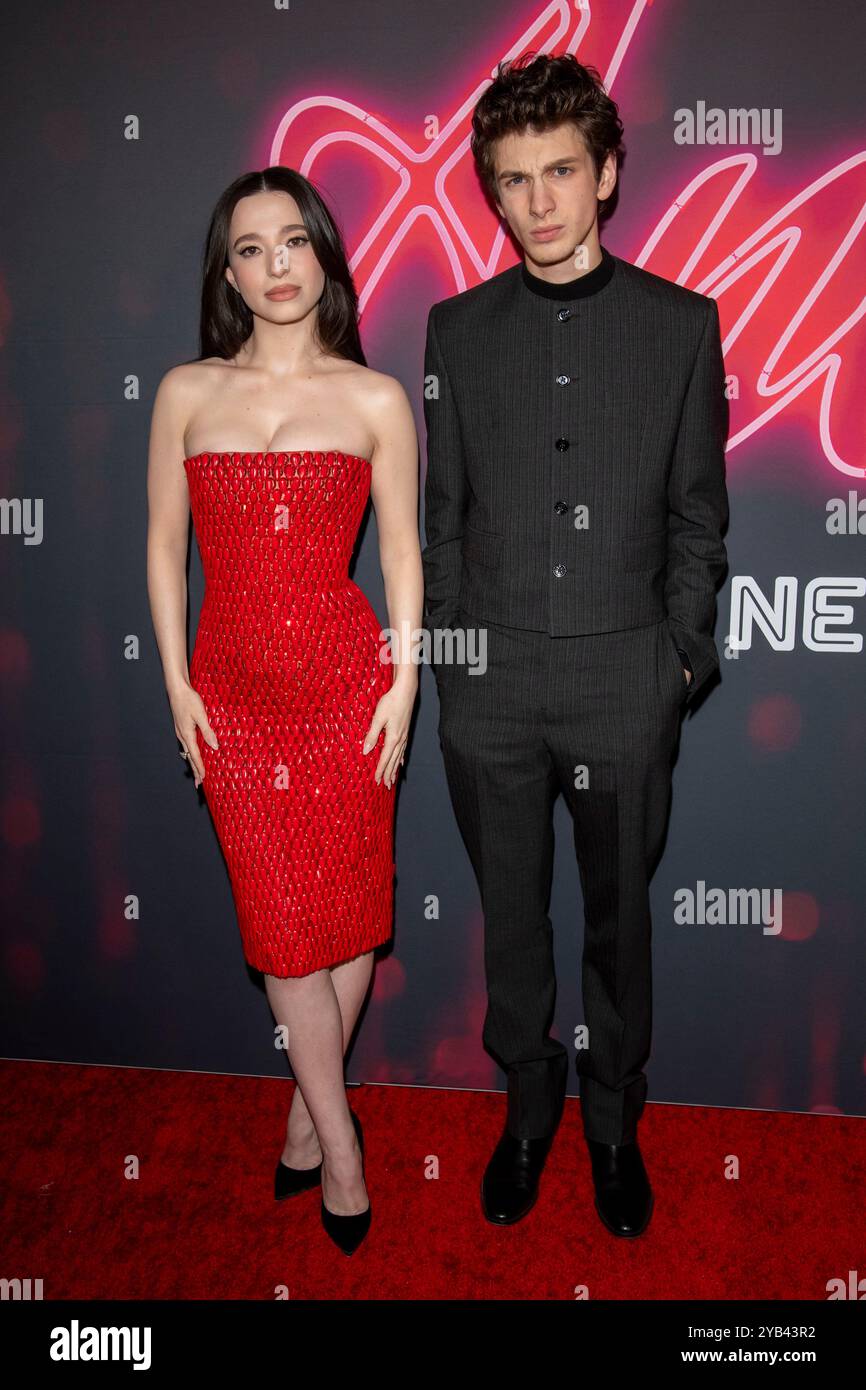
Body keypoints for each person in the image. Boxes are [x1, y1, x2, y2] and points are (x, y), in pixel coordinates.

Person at [422, 52, 729, 1236]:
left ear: (604, 173)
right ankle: (527, 1103)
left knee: (616, 917)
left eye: (560, 171)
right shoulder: (456, 330)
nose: (538, 201)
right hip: (489, 686)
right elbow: (440, 514)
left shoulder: (678, 327)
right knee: (509, 916)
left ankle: (609, 1118)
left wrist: (678, 663)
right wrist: (452, 656)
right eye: (512, 180)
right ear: (490, 195)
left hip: (623, 682)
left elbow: (698, 517)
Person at [146, 167, 422, 1255]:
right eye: (250, 248)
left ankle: (309, 1117)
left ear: (323, 256)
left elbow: (400, 550)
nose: (274, 265)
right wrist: (174, 679)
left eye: (292, 242)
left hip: (346, 682)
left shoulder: (373, 399)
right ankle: (340, 1138)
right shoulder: (185, 392)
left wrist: (404, 677)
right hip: (233, 696)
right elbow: (164, 550)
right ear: (227, 272)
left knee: (347, 912)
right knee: (279, 929)